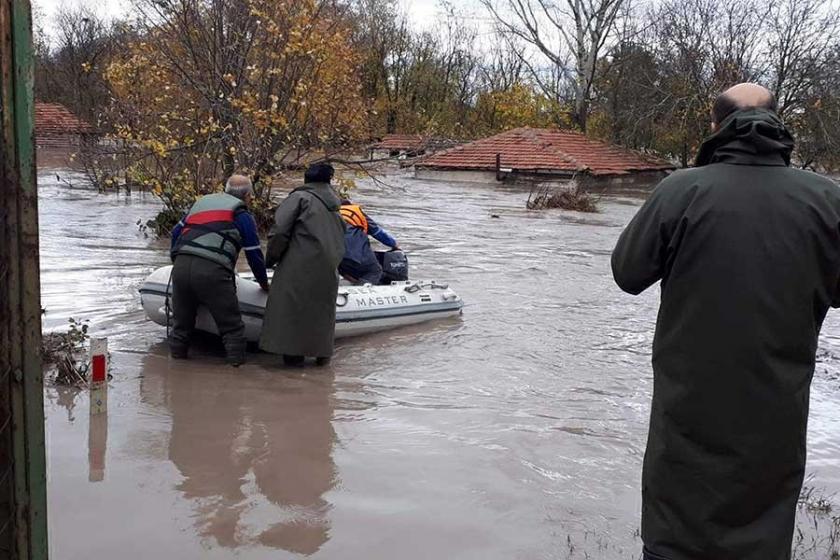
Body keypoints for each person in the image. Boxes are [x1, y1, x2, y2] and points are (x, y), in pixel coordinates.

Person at [612, 83, 840, 560]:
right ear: (781, 124)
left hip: (687, 415)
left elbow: (628, 274)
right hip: (776, 416)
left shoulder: (682, 189)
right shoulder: (826, 198)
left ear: (716, 127)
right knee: (761, 537)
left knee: (676, 538)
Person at [169, 174, 269, 366]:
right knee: (232, 328)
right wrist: (264, 284)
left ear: (225, 190)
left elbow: (175, 233)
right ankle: (235, 371)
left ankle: (176, 368)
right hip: (213, 272)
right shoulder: (242, 215)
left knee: (181, 327)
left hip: (181, 267)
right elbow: (254, 255)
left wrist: (177, 260)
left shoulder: (201, 203)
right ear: (247, 196)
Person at [259, 163, 346, 367]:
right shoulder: (335, 206)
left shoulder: (299, 198)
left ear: (306, 179)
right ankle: (322, 358)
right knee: (322, 314)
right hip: (328, 269)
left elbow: (280, 231)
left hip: (298, 267)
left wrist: (270, 259)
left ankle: (292, 362)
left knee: (291, 313)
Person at [338, 198, 399, 284]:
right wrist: (394, 244)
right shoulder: (355, 212)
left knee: (342, 268)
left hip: (333, 255)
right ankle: (361, 291)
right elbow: (378, 233)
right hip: (353, 252)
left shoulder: (330, 214)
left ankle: (354, 283)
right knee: (375, 271)